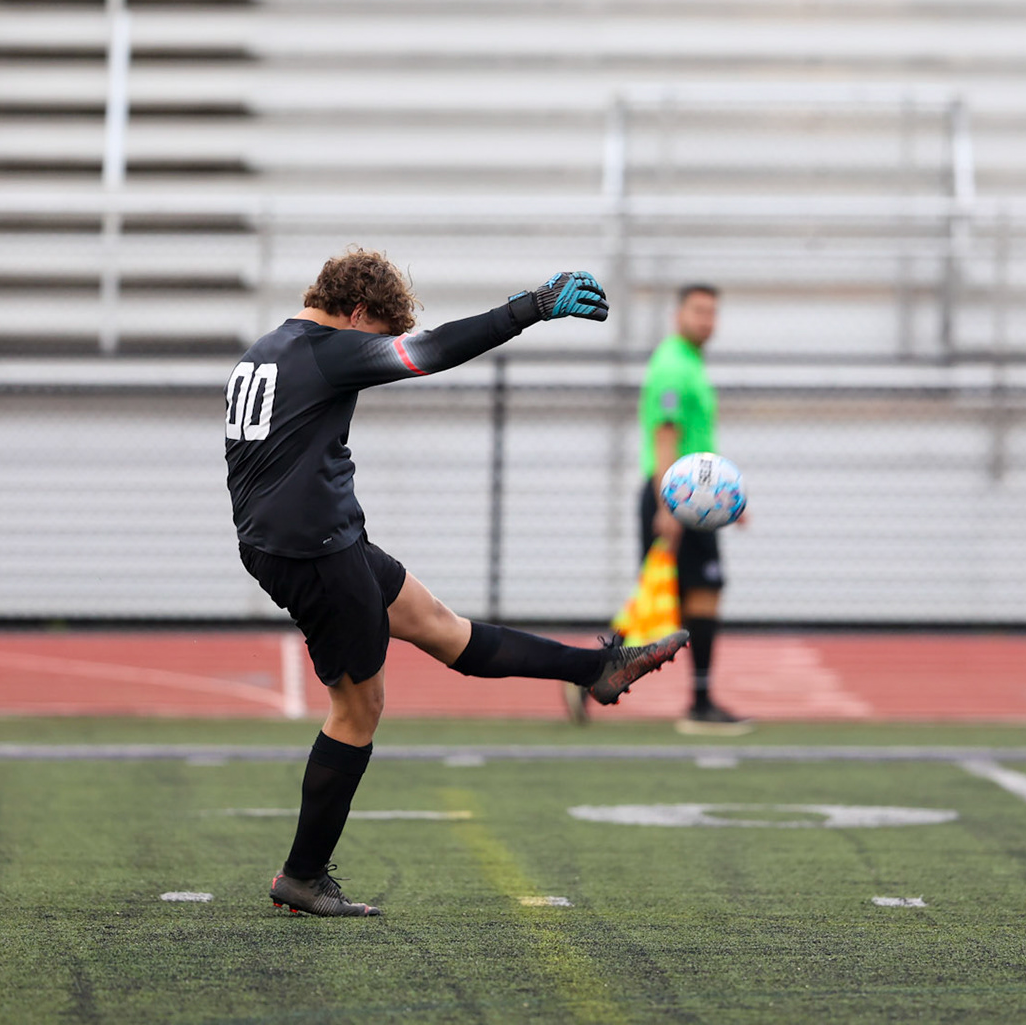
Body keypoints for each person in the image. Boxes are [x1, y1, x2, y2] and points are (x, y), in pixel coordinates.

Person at [225, 248, 688, 917]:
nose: (385, 351)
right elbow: (430, 352)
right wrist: (529, 308)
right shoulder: (328, 349)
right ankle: (301, 876)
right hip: (316, 553)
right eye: (381, 336)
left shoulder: (262, 351)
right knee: (359, 711)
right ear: (357, 315)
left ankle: (598, 669)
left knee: (444, 630)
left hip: (304, 542)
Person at [640, 284, 749, 733]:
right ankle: (698, 702)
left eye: (712, 313)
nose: (706, 320)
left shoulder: (692, 363)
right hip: (678, 501)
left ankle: (700, 700)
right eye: (698, 311)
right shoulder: (673, 364)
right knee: (676, 599)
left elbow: (698, 443)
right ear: (678, 314)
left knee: (687, 595)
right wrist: (669, 503)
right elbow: (666, 433)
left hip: (698, 504)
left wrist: (729, 501)